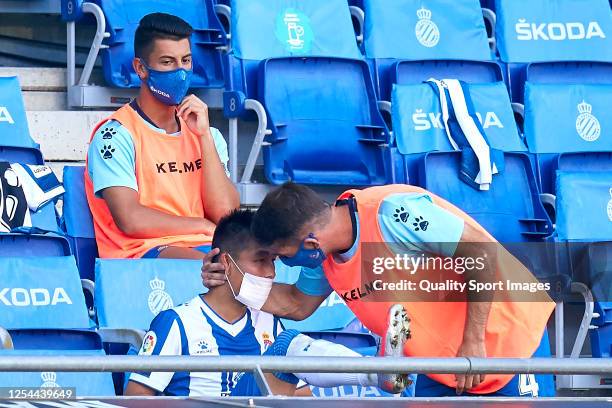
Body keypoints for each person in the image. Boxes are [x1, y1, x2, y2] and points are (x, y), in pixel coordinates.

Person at [202, 182, 556, 397]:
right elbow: (295, 304)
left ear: (309, 242)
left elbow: (480, 254)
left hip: (508, 344)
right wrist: (231, 278)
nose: (281, 265)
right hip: (444, 367)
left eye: (282, 256)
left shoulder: (394, 214)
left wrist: (473, 342)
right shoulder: (325, 257)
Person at [125, 210, 411, 397]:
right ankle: (376, 373)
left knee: (287, 348)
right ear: (227, 262)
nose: (271, 272)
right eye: (261, 261)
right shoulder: (177, 323)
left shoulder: (267, 321)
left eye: (272, 261)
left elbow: (299, 397)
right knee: (287, 345)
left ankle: (379, 373)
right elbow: (135, 398)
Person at [85, 12, 239, 259]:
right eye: (167, 62)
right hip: (143, 252)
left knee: (259, 263)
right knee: (228, 271)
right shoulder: (114, 135)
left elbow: (225, 214)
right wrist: (200, 225)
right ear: (140, 68)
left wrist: (204, 138)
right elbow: (130, 219)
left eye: (186, 61)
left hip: (206, 246)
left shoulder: (206, 133)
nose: (180, 73)